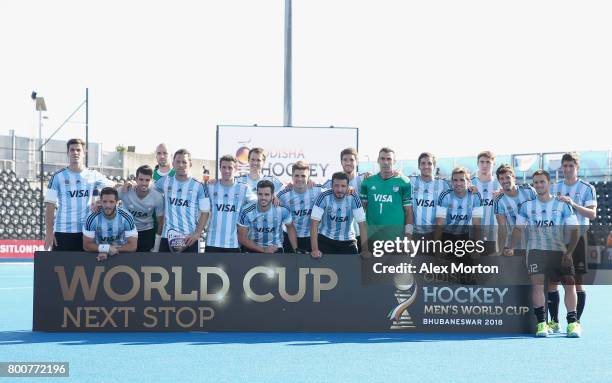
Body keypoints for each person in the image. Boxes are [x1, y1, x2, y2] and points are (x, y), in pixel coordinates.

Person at [507, 169, 581, 337]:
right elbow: (518, 229)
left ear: (549, 184)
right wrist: (511, 246)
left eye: (542, 182)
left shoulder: (563, 205)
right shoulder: (526, 206)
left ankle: (572, 324)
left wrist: (569, 253)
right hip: (535, 251)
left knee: (569, 285)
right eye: (536, 183)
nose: (539, 185)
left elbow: (575, 230)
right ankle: (542, 324)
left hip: (559, 251)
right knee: (538, 286)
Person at [547, 152, 597, 332]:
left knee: (576, 282)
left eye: (571, 166)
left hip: (578, 239)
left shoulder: (587, 187)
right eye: (565, 166)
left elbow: (592, 214)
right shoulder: (554, 187)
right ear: (561, 167)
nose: (567, 169)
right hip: (557, 240)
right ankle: (554, 321)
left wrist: (573, 204)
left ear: (577, 168)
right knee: (552, 281)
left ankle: (575, 322)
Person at [44, 138, 115, 251]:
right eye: (72, 150)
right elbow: (50, 205)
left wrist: (130, 184)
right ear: (68, 153)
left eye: (78, 150)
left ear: (84, 153)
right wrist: (48, 232)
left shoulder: (93, 175)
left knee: (86, 267)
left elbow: (114, 187)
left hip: (86, 232)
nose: (75, 153)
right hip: (63, 231)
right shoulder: (57, 177)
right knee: (61, 268)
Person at [154, 149, 210, 253]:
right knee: (164, 268)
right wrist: (132, 185)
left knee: (191, 269)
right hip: (167, 237)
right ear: (173, 164)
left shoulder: (199, 186)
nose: (181, 165)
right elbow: (147, 189)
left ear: (190, 164)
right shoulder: (165, 181)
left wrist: (197, 233)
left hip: (190, 239)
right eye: (178, 162)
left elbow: (205, 212)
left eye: (184, 162)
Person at [360, 147, 413, 247]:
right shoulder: (367, 182)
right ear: (378, 160)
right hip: (373, 239)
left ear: (394, 161)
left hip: (397, 240)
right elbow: (362, 210)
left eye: (389, 159)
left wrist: (408, 237)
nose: (385, 162)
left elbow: (409, 211)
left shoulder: (404, 182)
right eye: (382, 159)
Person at [311, 172, 369, 257]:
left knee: (354, 268)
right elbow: (313, 223)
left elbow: (362, 224)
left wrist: (365, 250)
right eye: (336, 185)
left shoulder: (353, 197)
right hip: (325, 239)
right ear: (331, 185)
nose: (339, 189)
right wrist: (315, 250)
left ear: (347, 186)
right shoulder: (324, 196)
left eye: (343, 186)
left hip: (347, 241)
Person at [206, 155, 254, 253]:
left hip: (233, 244)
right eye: (224, 167)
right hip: (212, 242)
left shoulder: (243, 188)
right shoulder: (211, 186)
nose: (226, 171)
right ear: (220, 168)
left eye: (230, 167)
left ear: (235, 169)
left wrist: (273, 196)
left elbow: (258, 202)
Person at [238, 180, 298, 253]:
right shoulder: (246, 211)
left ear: (272, 195)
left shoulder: (282, 209)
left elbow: (290, 228)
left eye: (266, 194)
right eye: (260, 194)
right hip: (253, 248)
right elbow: (241, 237)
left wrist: (296, 250)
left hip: (275, 249)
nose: (263, 197)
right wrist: (263, 250)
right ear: (257, 194)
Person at [277, 161, 323, 252]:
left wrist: (349, 188)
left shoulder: (317, 191)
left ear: (308, 177)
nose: (300, 179)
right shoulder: (283, 194)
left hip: (311, 237)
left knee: (310, 266)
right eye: (296, 176)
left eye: (303, 176)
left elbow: (335, 190)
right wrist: (274, 198)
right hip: (288, 237)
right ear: (292, 177)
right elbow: (270, 198)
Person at [83, 187, 137, 261]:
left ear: (116, 202)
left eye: (111, 202)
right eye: (105, 201)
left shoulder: (127, 217)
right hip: (98, 254)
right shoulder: (91, 217)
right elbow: (86, 245)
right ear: (100, 201)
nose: (108, 205)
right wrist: (107, 249)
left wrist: (109, 250)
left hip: (121, 253)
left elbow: (133, 246)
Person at [118, 165, 164, 252]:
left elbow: (161, 222)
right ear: (136, 179)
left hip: (146, 232)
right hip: (126, 231)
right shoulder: (125, 190)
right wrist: (98, 203)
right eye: (141, 179)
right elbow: (109, 198)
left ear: (151, 180)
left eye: (147, 180)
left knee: (144, 262)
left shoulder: (157, 197)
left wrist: (157, 246)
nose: (144, 183)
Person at [493, 164, 536, 256]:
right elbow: (502, 227)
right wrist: (500, 250)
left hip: (535, 244)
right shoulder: (499, 201)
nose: (505, 181)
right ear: (499, 181)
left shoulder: (529, 191)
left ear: (514, 177)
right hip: (514, 247)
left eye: (507, 177)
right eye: (501, 178)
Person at [408, 152, 448, 247]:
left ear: (434, 166)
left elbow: (459, 189)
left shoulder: (443, 185)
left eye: (429, 163)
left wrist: (471, 187)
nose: (426, 166)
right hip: (414, 233)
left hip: (435, 233)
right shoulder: (410, 181)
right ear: (418, 166)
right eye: (423, 163)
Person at [435, 167, 483, 243]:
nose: (458, 183)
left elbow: (477, 224)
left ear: (468, 181)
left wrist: (477, 249)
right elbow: (439, 223)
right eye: (455, 180)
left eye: (462, 180)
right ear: (452, 182)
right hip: (447, 236)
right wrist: (437, 249)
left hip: (465, 236)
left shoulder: (475, 195)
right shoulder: (445, 195)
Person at [469, 151, 502, 255]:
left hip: (492, 234)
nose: (484, 165)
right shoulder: (470, 183)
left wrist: (504, 193)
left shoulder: (499, 184)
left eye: (488, 162)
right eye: (482, 162)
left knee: (489, 267)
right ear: (477, 163)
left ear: (493, 164)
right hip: (472, 234)